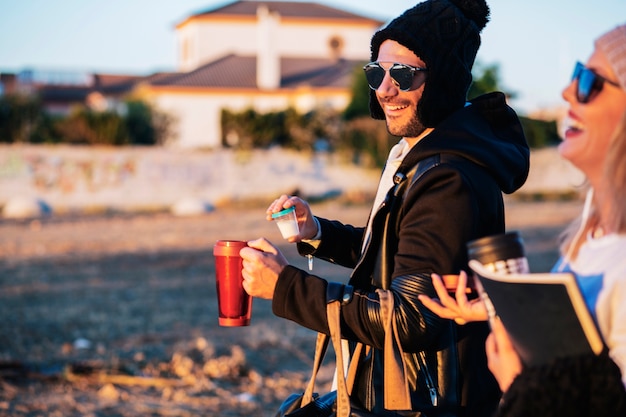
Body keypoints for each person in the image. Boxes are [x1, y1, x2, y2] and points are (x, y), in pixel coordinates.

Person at [240, 0, 530, 415]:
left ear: (445, 81)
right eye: (376, 72)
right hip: (406, 386)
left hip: (428, 399)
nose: (384, 89)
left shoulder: (447, 177)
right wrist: (317, 232)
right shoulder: (420, 155)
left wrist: (285, 286)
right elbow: (399, 258)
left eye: (403, 75)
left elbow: (411, 319)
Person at [419, 22, 626, 412]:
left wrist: (521, 386)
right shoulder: (594, 229)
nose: (567, 91)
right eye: (575, 73)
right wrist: (504, 309)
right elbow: (582, 340)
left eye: (589, 82)